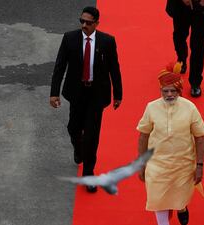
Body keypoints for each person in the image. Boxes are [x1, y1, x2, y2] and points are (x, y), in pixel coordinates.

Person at [49, 6, 123, 193]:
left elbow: (114, 69)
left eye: (88, 23)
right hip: (76, 93)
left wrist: (118, 94)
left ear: (97, 23)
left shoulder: (107, 41)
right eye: (81, 21)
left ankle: (89, 174)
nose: (84, 25)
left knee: (91, 136)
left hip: (96, 95)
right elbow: (59, 67)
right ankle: (78, 147)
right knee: (73, 128)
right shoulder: (69, 38)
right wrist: (54, 92)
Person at [137, 63, 204, 225]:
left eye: (173, 91)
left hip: (183, 166)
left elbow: (200, 137)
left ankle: (181, 208)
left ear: (179, 91)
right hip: (157, 165)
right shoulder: (151, 107)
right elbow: (143, 136)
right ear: (160, 90)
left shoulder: (190, 108)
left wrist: (199, 166)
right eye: (165, 91)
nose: (169, 94)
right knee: (157, 200)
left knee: (180, 199)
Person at [165, 0, 204, 97]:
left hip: (200, 6)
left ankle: (195, 82)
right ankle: (182, 59)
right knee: (179, 37)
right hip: (180, 6)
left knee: (198, 44)